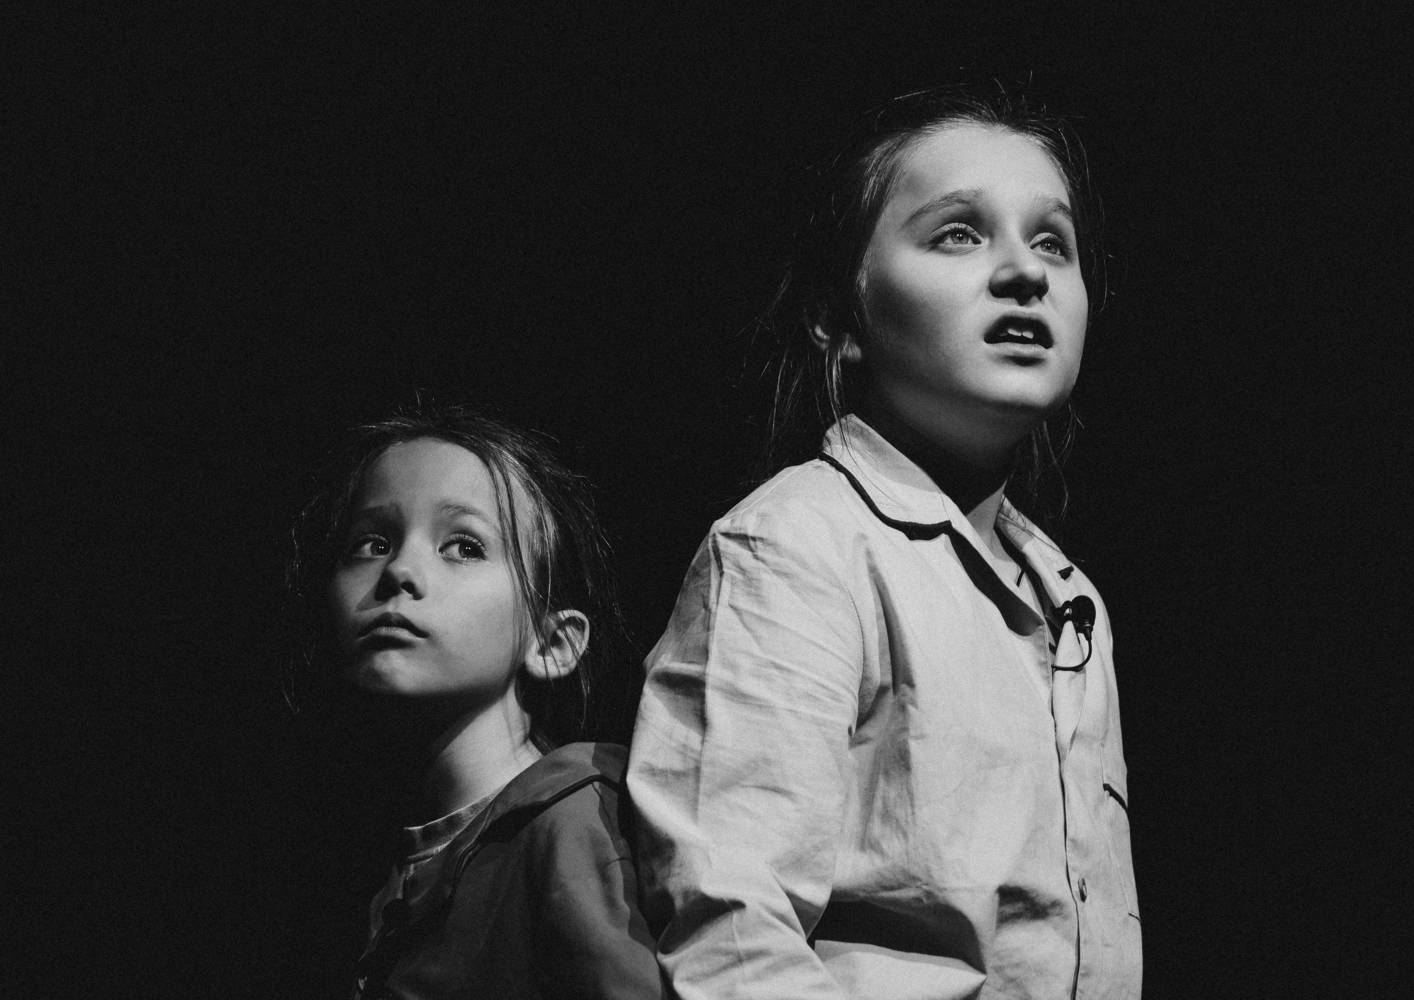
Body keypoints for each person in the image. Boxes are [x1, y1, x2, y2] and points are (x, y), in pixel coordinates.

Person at [628, 85, 1141, 999]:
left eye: (1053, 243)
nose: (1024, 273)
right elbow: (733, 937)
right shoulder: (795, 547)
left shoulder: (1074, 602)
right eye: (959, 234)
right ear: (840, 315)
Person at [288, 404, 663, 999]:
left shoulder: (568, 822)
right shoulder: (370, 868)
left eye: (463, 546)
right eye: (372, 543)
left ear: (553, 643)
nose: (399, 570)